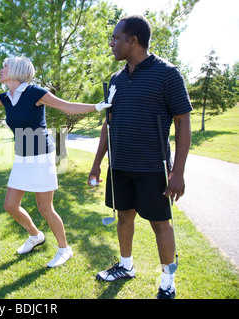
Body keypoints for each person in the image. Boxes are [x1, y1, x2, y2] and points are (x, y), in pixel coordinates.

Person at [0, 56, 112, 267]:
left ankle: (65, 249)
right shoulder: (7, 97)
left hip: (41, 157)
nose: (1, 70)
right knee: (10, 205)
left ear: (17, 71)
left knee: (45, 208)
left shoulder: (34, 92)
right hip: (22, 157)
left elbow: (67, 107)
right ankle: (36, 235)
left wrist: (98, 106)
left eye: (5, 66)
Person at [87, 16, 192, 299]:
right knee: (123, 217)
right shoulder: (116, 80)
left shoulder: (168, 74)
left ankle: (168, 280)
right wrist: (97, 163)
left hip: (152, 167)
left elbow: (183, 122)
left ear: (132, 40)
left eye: (116, 38)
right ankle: (126, 266)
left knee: (160, 224)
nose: (112, 43)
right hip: (119, 166)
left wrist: (178, 172)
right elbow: (108, 124)